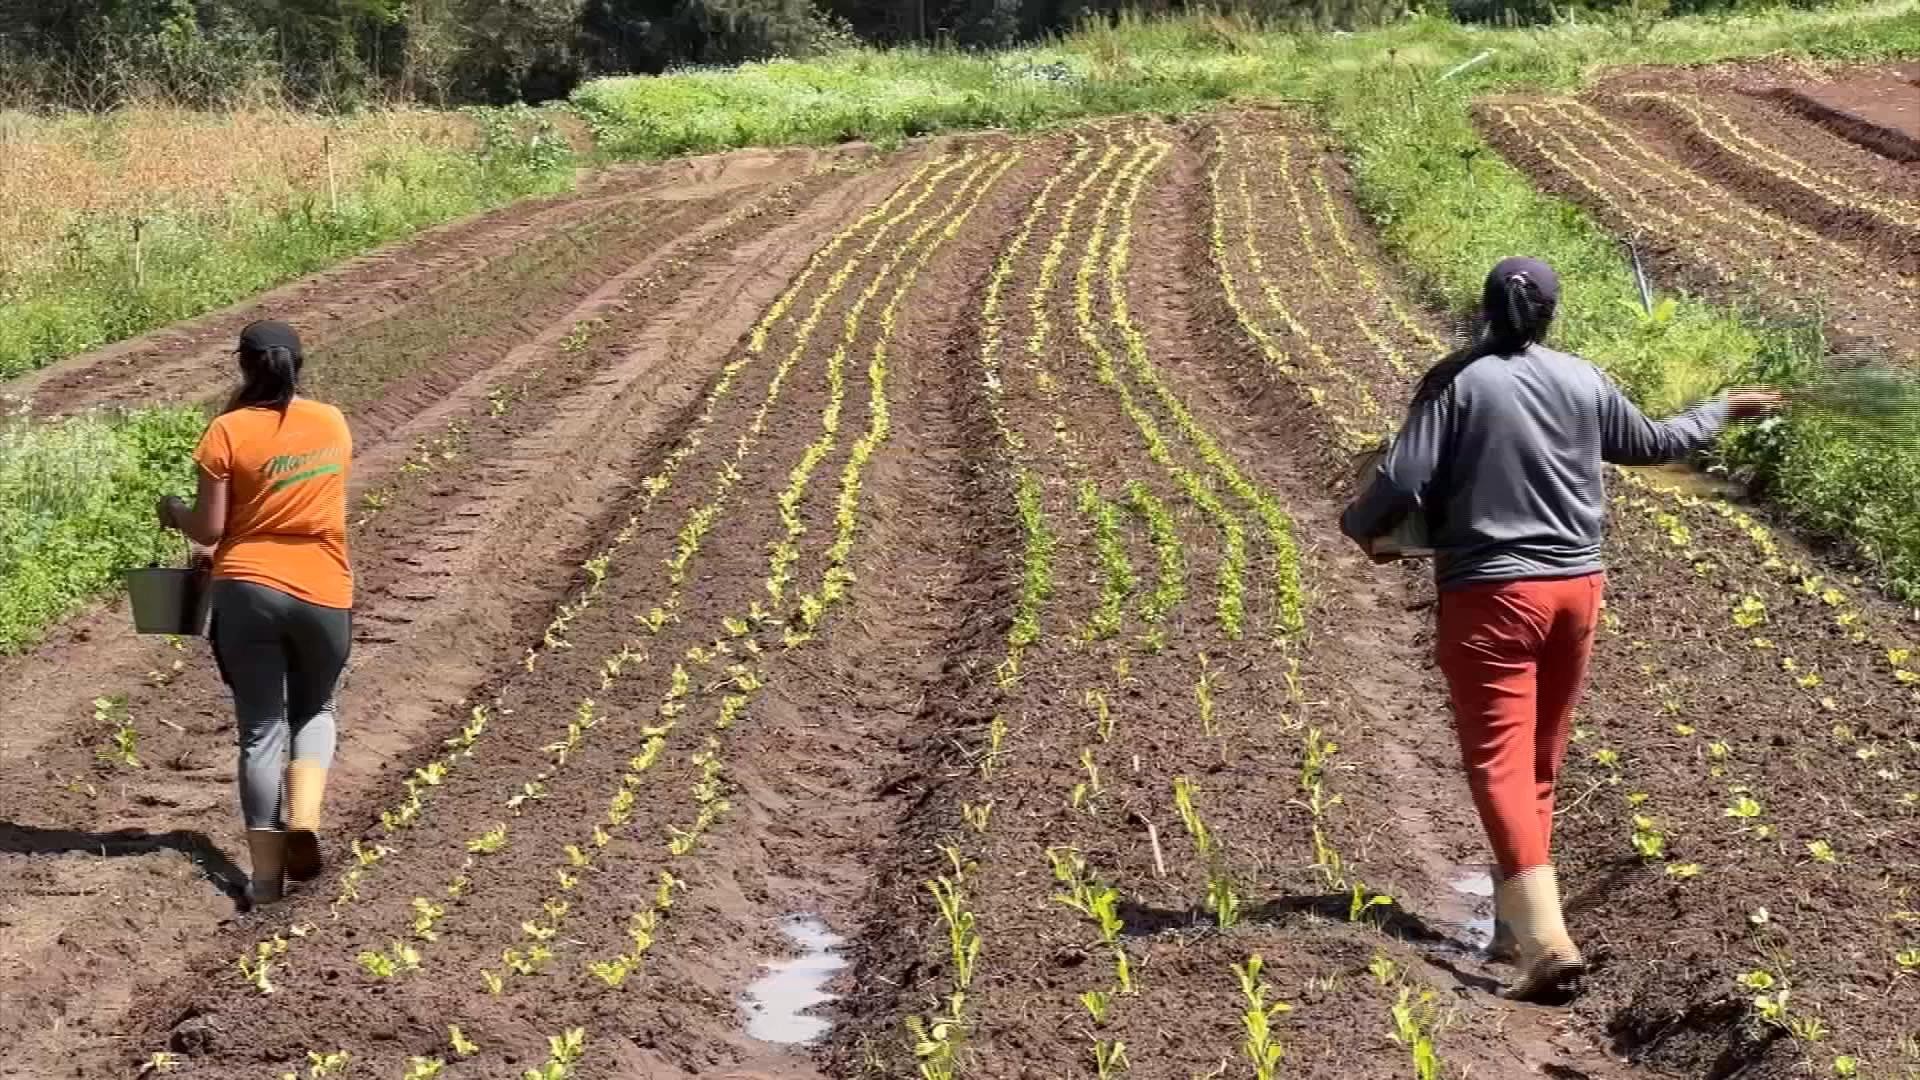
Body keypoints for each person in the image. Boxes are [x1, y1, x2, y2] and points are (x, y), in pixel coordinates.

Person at [1340, 258, 1781, 1001]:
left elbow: (1403, 480)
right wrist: (1725, 407)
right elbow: (1652, 443)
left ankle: (1545, 942)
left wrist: (1358, 526)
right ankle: (1515, 925)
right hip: (1577, 589)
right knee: (1539, 756)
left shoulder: (1458, 382)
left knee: (1498, 760)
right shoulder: (1583, 379)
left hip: (1492, 594)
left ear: (1483, 311)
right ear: (1553, 314)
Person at [159, 320, 353, 906]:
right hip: (324, 586)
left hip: (246, 590)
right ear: (298, 364)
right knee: (316, 706)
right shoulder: (332, 422)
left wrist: (172, 511)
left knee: (262, 730)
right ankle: (307, 814)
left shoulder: (225, 431)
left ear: (243, 366)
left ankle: (265, 881)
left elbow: (210, 530)